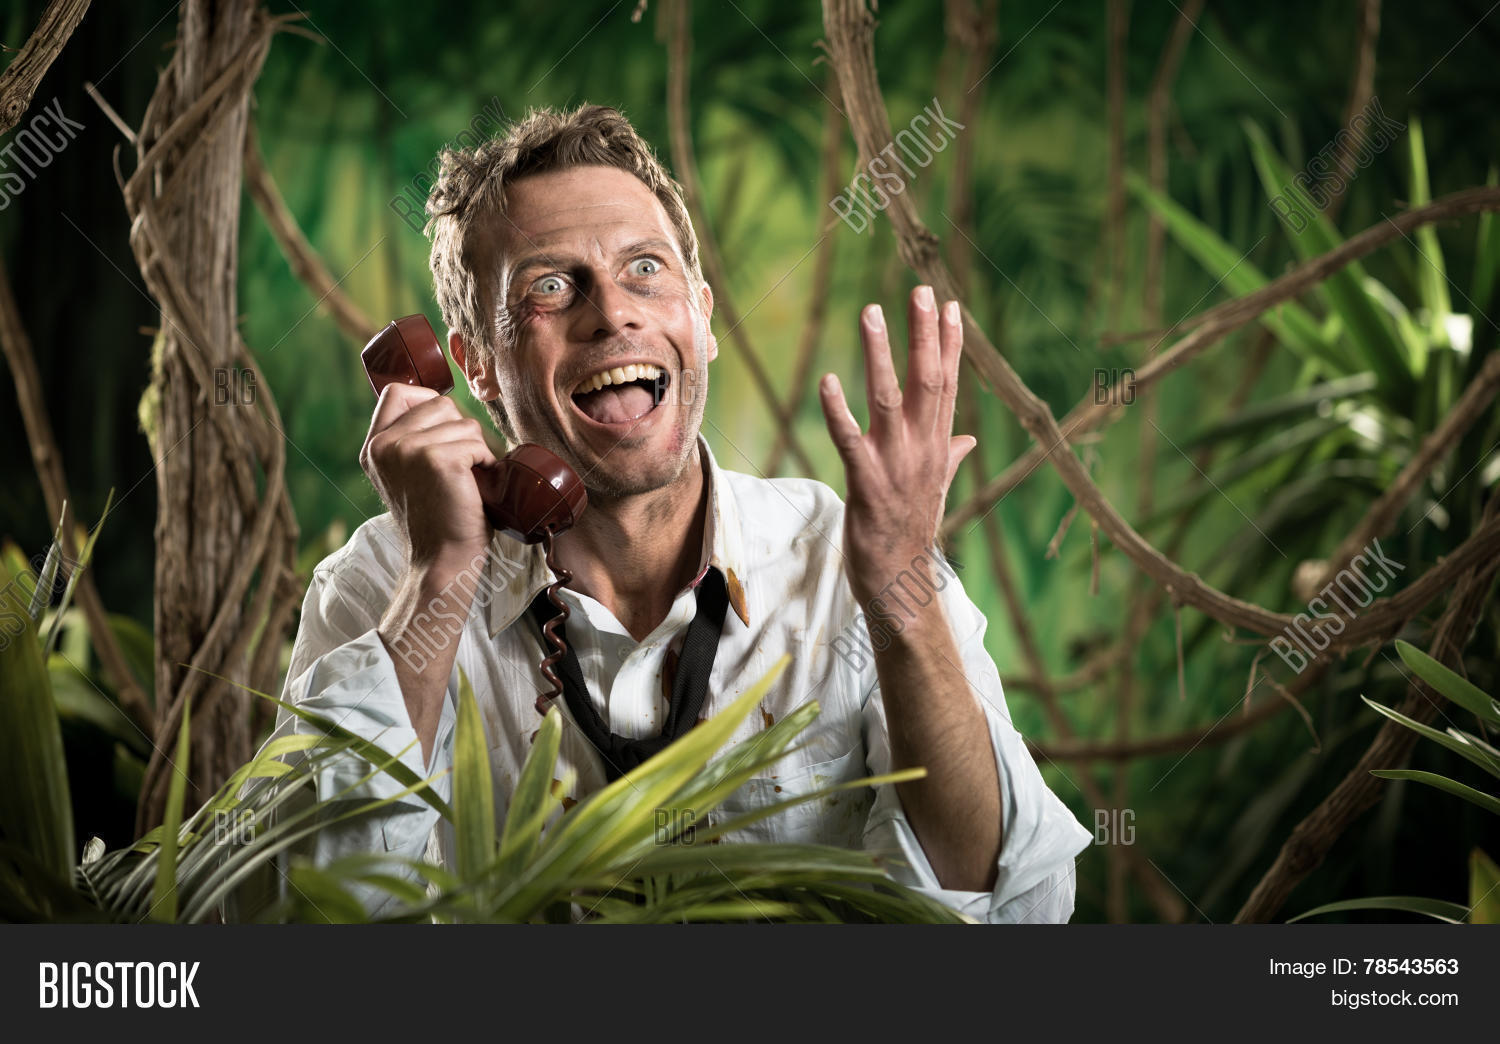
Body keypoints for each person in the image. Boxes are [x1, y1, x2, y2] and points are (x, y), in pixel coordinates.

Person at [267, 103, 1091, 922]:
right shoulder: (381, 585)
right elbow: (301, 916)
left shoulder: (854, 557)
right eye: (549, 286)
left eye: (645, 269)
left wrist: (901, 593)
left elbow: (1020, 911)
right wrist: (439, 576)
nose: (612, 313)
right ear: (475, 364)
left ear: (702, 316)